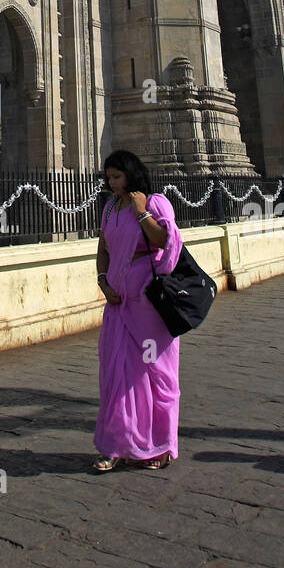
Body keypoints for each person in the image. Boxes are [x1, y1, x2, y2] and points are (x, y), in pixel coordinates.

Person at [92, 149, 183, 473]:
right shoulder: (110, 208)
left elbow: (166, 242)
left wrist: (142, 211)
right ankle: (116, 445)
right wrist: (103, 281)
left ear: (131, 174)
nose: (111, 183)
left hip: (148, 306)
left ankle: (159, 445)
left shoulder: (155, 202)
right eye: (108, 177)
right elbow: (103, 248)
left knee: (155, 375)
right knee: (116, 375)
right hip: (118, 302)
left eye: (116, 176)